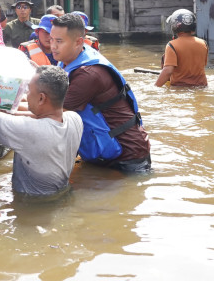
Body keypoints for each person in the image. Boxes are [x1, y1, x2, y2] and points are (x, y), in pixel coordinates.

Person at [0, 61, 83, 196]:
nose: (26, 95)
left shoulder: (31, 131)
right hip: (61, 194)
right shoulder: (75, 119)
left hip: (31, 204)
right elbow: (40, 117)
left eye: (29, 90)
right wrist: (3, 112)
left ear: (41, 98)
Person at [50, 13, 151, 173]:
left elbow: (51, 113)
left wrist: (8, 109)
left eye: (59, 41)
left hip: (128, 157)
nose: (53, 46)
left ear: (78, 42)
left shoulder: (88, 75)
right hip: (106, 151)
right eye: (51, 40)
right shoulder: (71, 59)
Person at [156, 9, 208, 87]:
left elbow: (168, 71)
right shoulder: (203, 43)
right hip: (202, 87)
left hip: (180, 88)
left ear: (174, 26)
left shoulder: (172, 45)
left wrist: (155, 87)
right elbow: (202, 65)